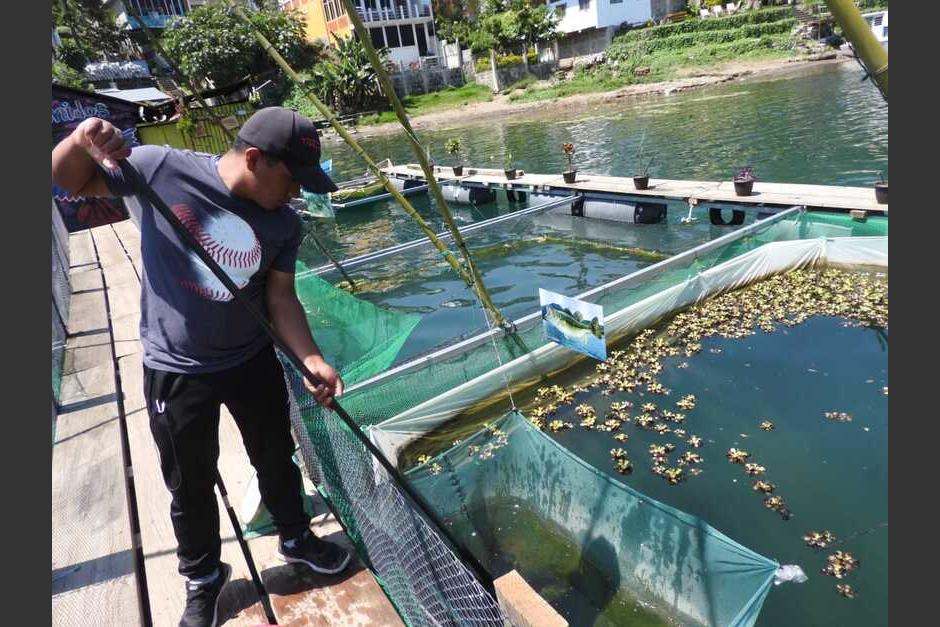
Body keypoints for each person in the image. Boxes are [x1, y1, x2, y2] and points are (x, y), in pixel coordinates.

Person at [52, 107, 351, 627]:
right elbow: (69, 178)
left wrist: (312, 358)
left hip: (251, 358)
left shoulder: (283, 223)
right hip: (176, 366)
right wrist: (81, 138)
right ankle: (205, 577)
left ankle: (296, 537)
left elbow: (280, 299)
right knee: (188, 481)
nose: (297, 193)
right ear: (254, 158)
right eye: (292, 179)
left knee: (276, 456)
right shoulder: (157, 166)